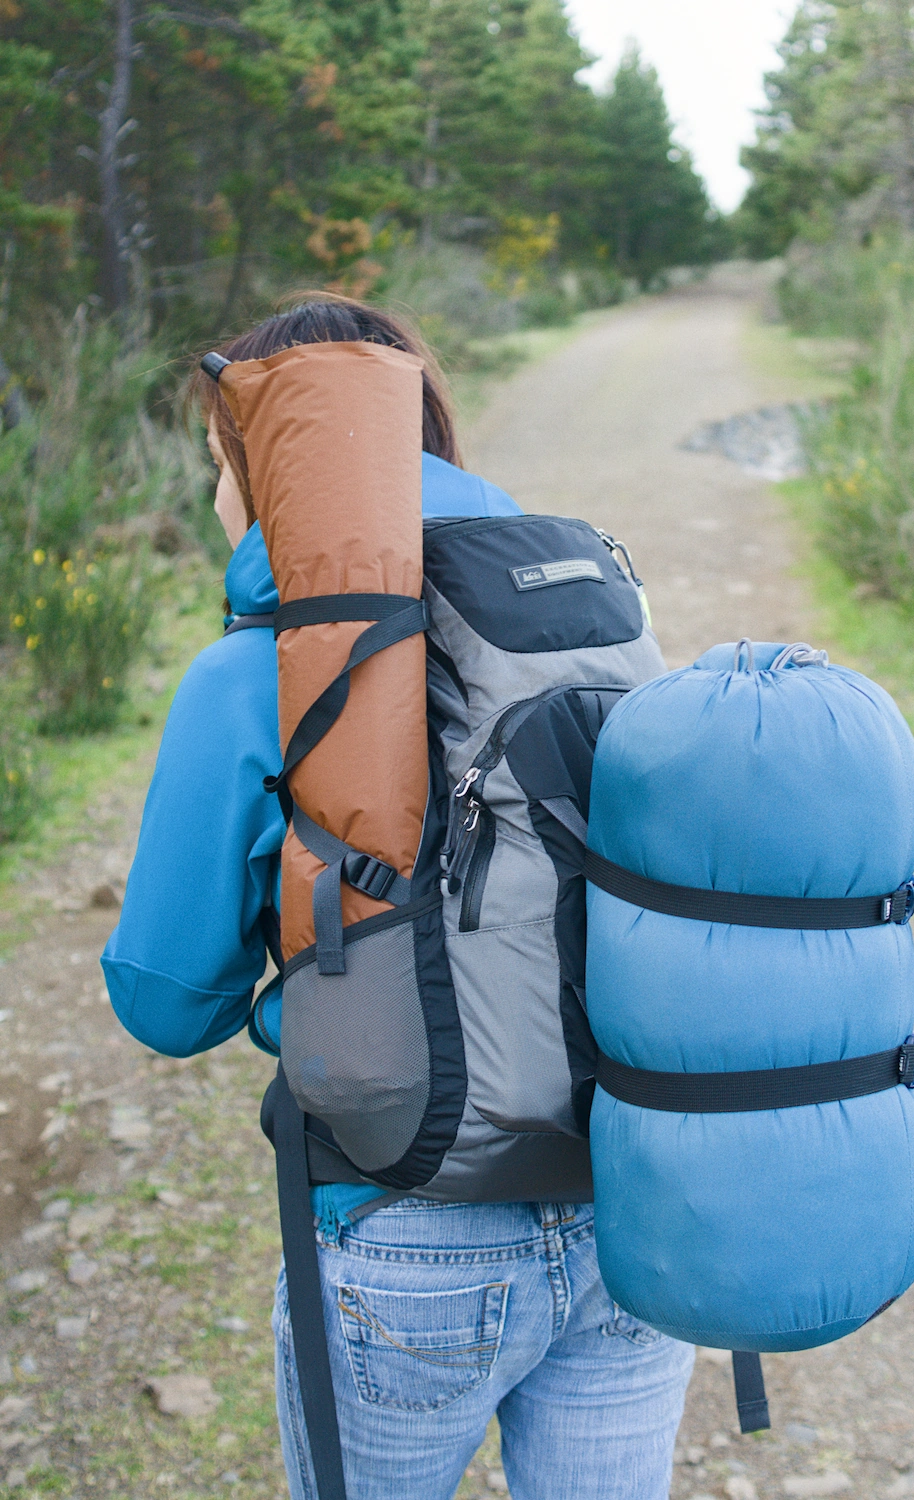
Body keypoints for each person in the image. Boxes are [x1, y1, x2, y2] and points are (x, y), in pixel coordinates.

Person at [101, 295, 694, 1500]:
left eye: (216, 458)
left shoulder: (251, 672)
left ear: (260, 458)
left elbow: (167, 1009)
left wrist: (313, 987)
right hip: (635, 1211)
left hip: (403, 1228)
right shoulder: (583, 619)